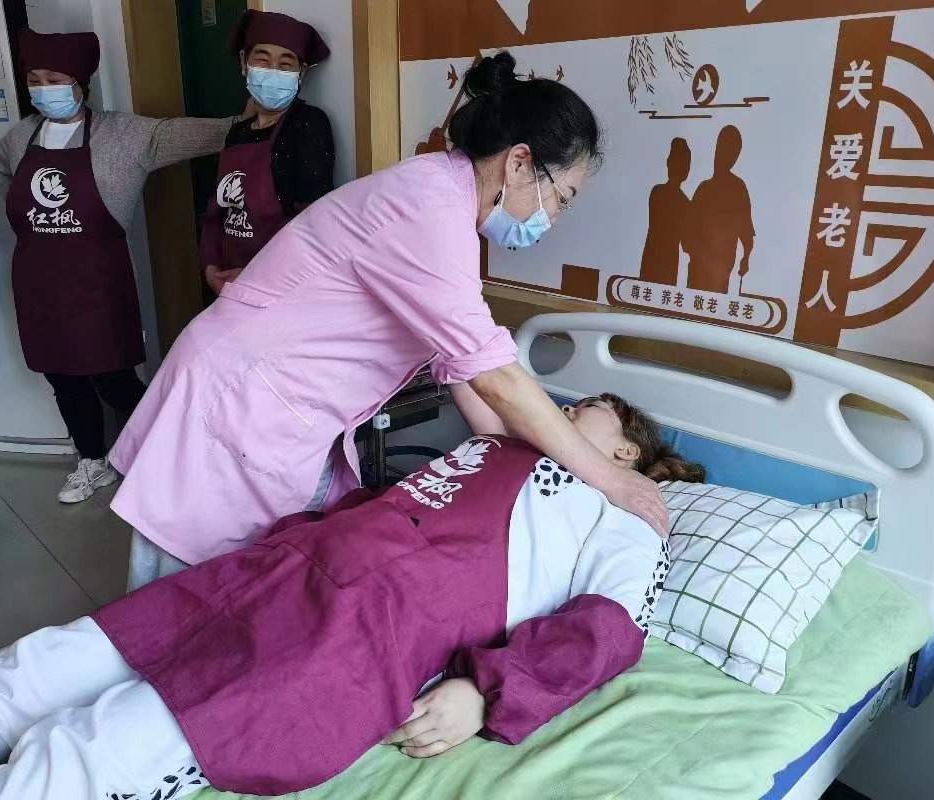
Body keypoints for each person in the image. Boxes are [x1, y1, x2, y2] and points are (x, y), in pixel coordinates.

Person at [0, 393, 705, 800]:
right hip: (273, 572)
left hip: (354, 635)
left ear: (627, 452)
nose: (559, 411)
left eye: (584, 411)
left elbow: (606, 632)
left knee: (86, 752)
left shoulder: (623, 510)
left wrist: (483, 693)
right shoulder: (500, 446)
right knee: (23, 679)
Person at [114, 52, 671, 590]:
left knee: (250, 592)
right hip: (236, 402)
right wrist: (609, 479)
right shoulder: (430, 211)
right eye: (562, 198)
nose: (553, 218)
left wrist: (517, 460)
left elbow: (465, 367)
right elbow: (495, 377)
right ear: (520, 163)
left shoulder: (443, 202)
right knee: (173, 605)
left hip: (273, 405)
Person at [0, 29, 238, 505]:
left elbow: (192, 134)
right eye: (35, 80)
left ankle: (169, 453)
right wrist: (29, 218)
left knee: (113, 376)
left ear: (81, 83)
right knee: (61, 375)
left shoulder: (125, 134)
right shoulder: (21, 136)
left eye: (55, 79)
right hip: (37, 279)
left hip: (98, 280)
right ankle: (92, 461)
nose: (43, 89)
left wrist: (252, 121)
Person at [202, 10, 334, 295]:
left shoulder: (308, 124)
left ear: (300, 73)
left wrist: (256, 274)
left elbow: (312, 222)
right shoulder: (237, 133)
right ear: (244, 63)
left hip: (281, 285)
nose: (273, 71)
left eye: (286, 64)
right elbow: (216, 212)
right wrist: (210, 265)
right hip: (227, 281)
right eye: (262, 60)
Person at [685, 124, 755, 294]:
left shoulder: (737, 188)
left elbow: (746, 230)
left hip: (719, 269)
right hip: (699, 266)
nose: (722, 154)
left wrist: (746, 257)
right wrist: (693, 250)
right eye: (722, 147)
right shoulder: (704, 188)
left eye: (730, 151)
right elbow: (687, 229)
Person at [639, 137, 691, 286]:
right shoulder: (683, 203)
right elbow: (687, 244)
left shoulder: (658, 192)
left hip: (655, 258)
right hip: (664, 261)